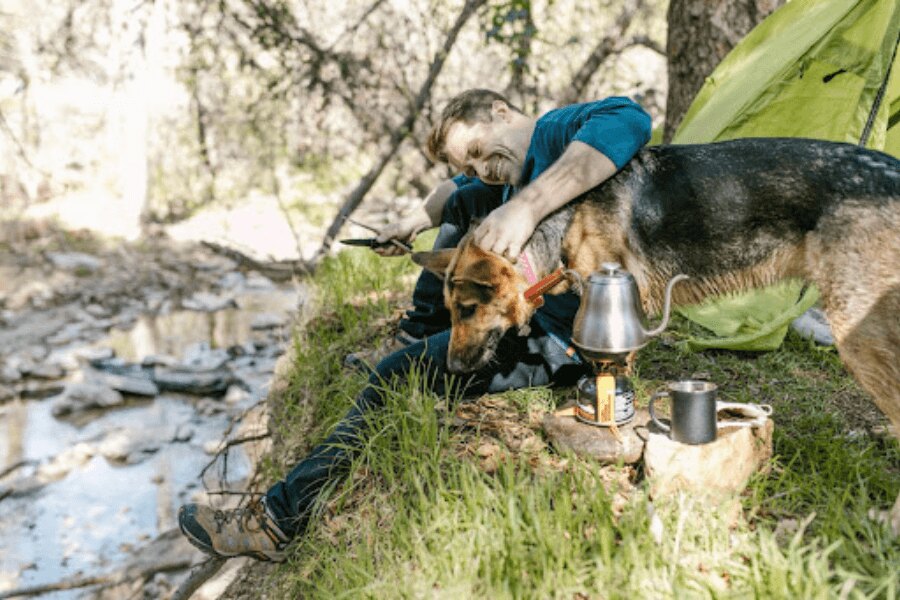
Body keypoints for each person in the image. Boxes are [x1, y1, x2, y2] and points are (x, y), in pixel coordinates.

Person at [177, 89, 652, 561]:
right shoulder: (508, 182)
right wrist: (409, 223)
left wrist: (526, 208)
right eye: (468, 166)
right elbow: (455, 195)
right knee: (461, 209)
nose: (480, 168)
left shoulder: (552, 134)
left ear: (500, 112)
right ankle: (419, 333)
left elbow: (629, 119)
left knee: (393, 375)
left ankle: (276, 524)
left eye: (476, 151)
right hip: (541, 319)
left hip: (564, 335)